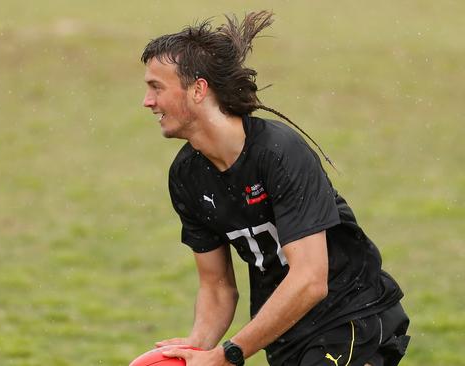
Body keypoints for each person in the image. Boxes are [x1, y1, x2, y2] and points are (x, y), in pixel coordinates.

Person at [140, 11, 410, 366]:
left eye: (156, 87)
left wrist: (229, 354)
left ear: (198, 89)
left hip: (351, 316)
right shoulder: (186, 176)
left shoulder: (278, 153)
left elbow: (311, 280)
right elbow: (218, 287)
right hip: (285, 333)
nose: (147, 101)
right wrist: (197, 346)